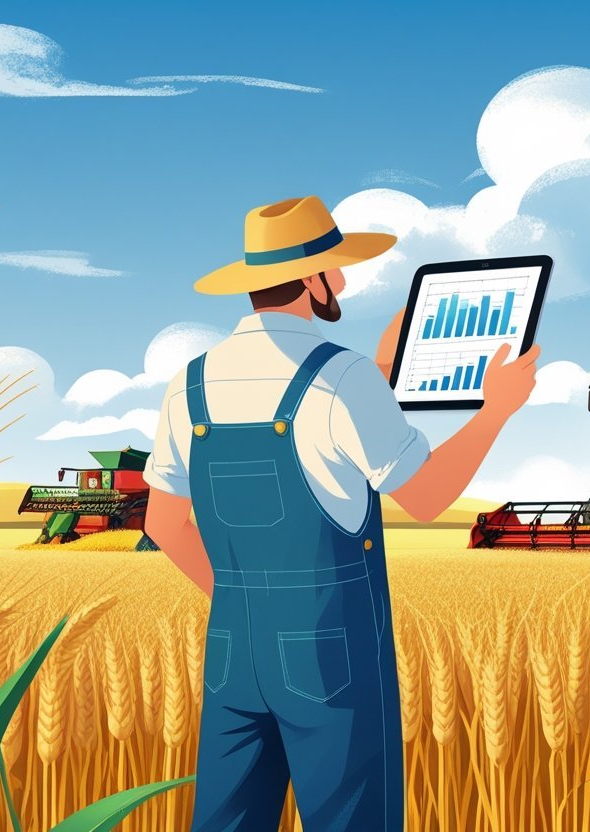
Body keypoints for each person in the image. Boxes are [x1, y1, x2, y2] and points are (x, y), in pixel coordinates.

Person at [142, 195, 540, 831]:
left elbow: (162, 524)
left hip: (231, 650)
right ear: (310, 279)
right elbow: (427, 494)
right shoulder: (341, 376)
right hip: (329, 655)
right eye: (335, 268)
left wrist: (252, 607)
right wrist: (497, 409)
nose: (344, 282)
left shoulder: (188, 383)